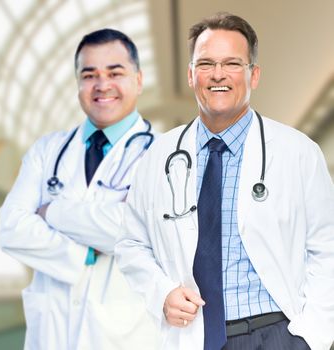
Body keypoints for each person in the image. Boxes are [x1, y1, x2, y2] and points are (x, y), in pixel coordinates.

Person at [115, 12, 334, 350]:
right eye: (205, 64)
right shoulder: (158, 157)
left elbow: (327, 249)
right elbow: (131, 244)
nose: (218, 75)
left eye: (232, 63)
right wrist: (162, 292)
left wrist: (312, 338)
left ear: (254, 75)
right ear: (190, 75)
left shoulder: (298, 153)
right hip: (194, 335)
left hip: (278, 334)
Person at [0, 28, 160, 350]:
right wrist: (84, 251)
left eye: (115, 73)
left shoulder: (163, 157)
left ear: (138, 80)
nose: (102, 85)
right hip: (51, 336)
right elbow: (11, 227)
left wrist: (49, 212)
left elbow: (131, 229)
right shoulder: (48, 151)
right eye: (89, 75)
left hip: (124, 337)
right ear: (78, 85)